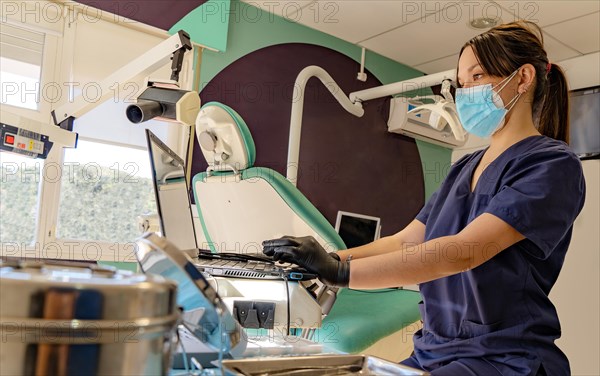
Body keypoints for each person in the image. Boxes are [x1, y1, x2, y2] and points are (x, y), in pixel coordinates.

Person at [263, 21, 586, 376]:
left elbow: (465, 250)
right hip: (434, 349)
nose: (466, 93)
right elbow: (406, 241)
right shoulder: (465, 167)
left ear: (523, 78)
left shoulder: (552, 164)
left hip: (502, 356)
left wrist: (342, 272)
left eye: (476, 77)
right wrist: (328, 257)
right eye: (461, 84)